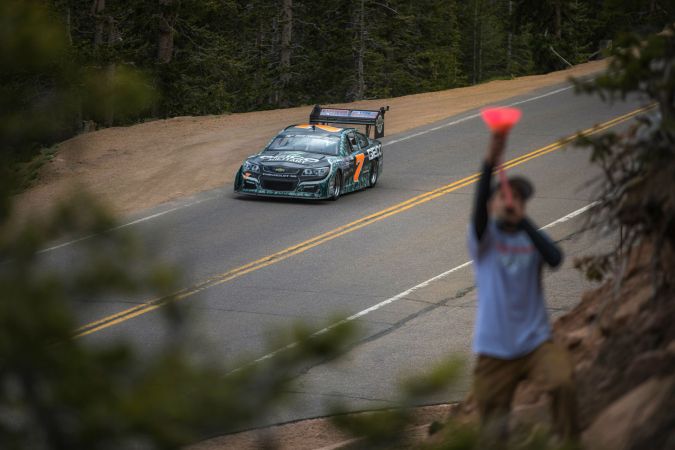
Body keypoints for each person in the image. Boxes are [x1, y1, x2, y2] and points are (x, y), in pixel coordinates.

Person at [468, 131, 578, 445]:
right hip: (493, 351)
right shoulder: (483, 240)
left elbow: (555, 257)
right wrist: (490, 161)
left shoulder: (530, 239)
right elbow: (477, 213)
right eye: (504, 196)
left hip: (536, 344)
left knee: (563, 383)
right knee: (491, 431)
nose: (511, 201)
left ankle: (570, 443)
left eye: (517, 197)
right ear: (491, 204)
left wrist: (524, 221)